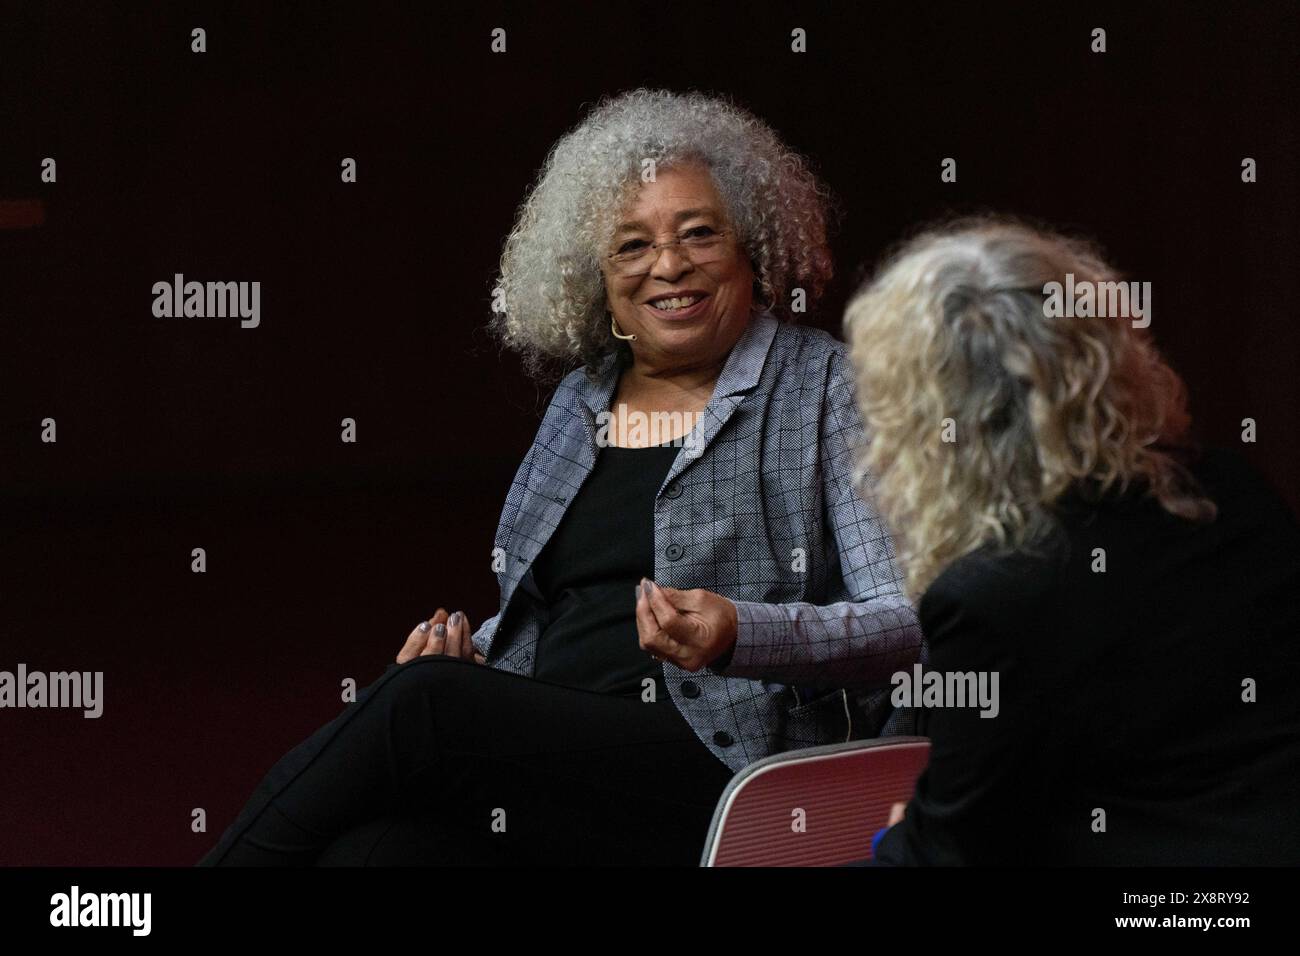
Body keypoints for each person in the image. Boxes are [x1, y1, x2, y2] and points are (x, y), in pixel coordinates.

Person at [197, 89, 922, 866]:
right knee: (373, 852)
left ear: (754, 249)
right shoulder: (582, 400)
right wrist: (475, 662)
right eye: (632, 246)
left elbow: (910, 623)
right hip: (560, 756)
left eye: (699, 234)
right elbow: (550, 612)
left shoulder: (826, 388)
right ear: (600, 280)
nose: (668, 265)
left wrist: (744, 635)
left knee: (422, 708)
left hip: (719, 758)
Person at [841, 216, 1300, 865]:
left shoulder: (989, 597)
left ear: (924, 421)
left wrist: (895, 837)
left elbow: (954, 848)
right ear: (1106, 352)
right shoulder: (1230, 488)